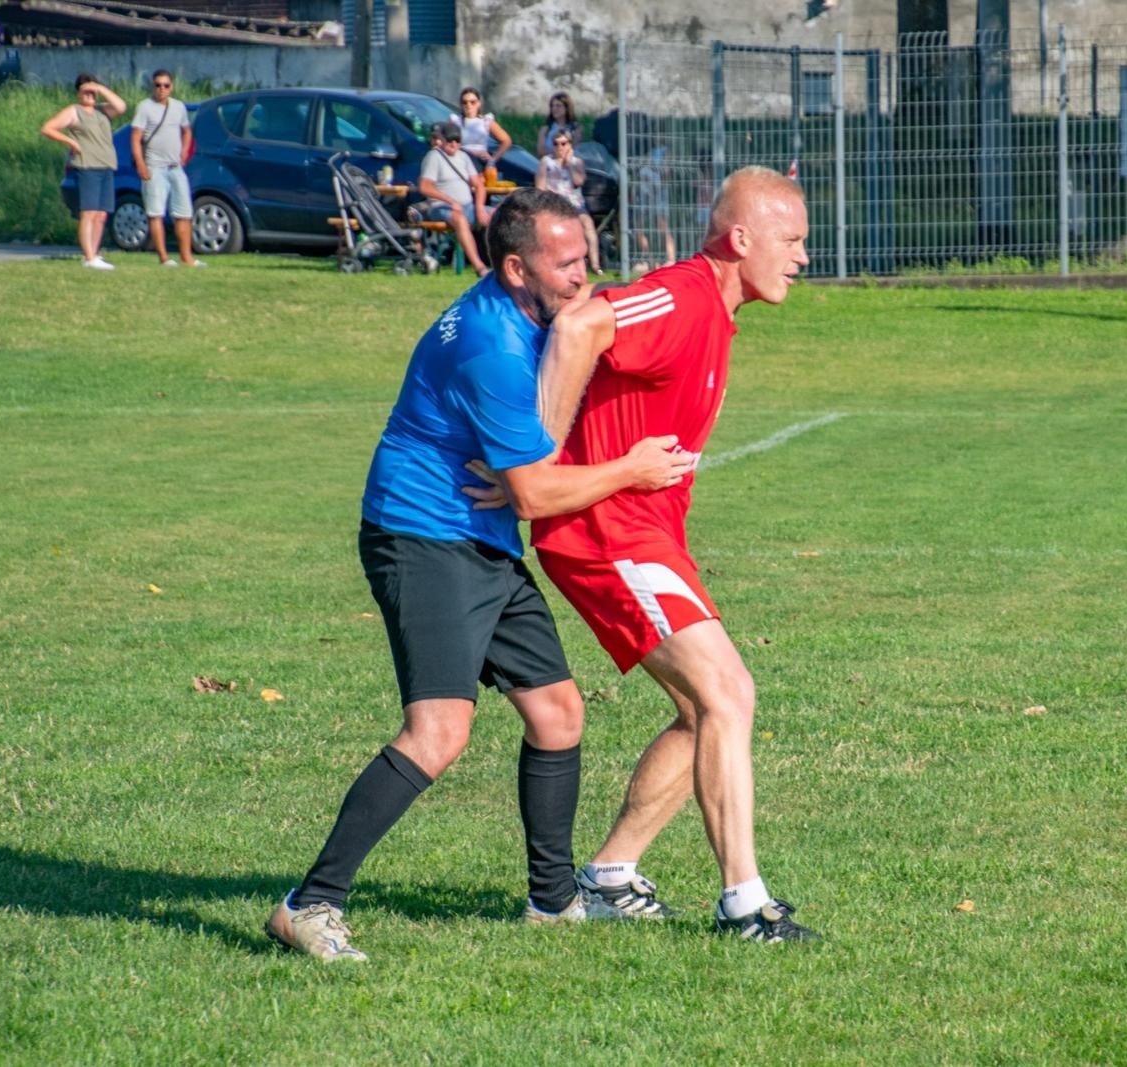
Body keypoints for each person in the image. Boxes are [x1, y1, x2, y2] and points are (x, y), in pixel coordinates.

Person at [265, 189, 696, 963]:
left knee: (560, 713)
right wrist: (630, 469)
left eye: (586, 256)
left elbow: (524, 478)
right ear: (513, 266)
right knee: (439, 732)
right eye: (566, 263)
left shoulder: (528, 314)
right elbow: (532, 497)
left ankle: (552, 901)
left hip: (479, 541)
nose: (583, 275)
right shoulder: (490, 348)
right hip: (422, 535)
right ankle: (310, 903)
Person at [517, 166, 820, 943]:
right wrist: (540, 456)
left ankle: (612, 874)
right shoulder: (683, 294)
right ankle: (746, 904)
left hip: (645, 535)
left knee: (701, 711)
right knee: (730, 693)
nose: (802, 257)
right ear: (741, 238)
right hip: (604, 533)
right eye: (791, 240)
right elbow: (582, 323)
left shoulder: (718, 314)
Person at [40, 74, 126, 271]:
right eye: (84, 90)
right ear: (78, 92)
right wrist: (70, 141)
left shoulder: (102, 111)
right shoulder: (74, 111)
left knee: (101, 214)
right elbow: (48, 128)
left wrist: (100, 88)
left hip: (106, 165)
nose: (89, 95)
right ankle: (88, 256)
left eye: (91, 91)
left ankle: (95, 254)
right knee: (88, 212)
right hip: (87, 166)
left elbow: (121, 106)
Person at [130, 69, 202, 268]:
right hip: (154, 166)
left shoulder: (178, 107)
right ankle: (163, 258)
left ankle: (187, 257)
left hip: (175, 167)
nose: (162, 89)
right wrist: (141, 164)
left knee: (184, 213)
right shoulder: (144, 107)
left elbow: (187, 131)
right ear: (152, 86)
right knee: (156, 213)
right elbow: (135, 138)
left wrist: (184, 153)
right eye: (158, 85)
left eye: (166, 85)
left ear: (172, 87)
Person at [417, 122, 490, 277]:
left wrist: (480, 208)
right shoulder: (434, 157)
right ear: (442, 140)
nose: (454, 145)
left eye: (457, 141)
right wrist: (450, 201)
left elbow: (479, 185)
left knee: (500, 214)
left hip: (468, 205)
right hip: (441, 207)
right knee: (460, 219)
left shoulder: (463, 157)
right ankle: (479, 267)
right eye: (450, 141)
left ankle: (506, 262)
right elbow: (424, 187)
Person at [536, 130, 601, 274]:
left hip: (574, 203)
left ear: (570, 145)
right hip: (554, 203)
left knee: (587, 225)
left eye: (563, 144)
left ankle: (595, 264)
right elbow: (539, 186)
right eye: (556, 144)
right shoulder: (546, 161)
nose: (559, 147)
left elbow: (579, 181)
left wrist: (569, 163)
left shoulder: (577, 162)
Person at [632, 143, 677, 273]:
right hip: (644, 195)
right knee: (639, 227)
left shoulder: (666, 151)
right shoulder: (648, 151)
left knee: (663, 226)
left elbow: (666, 176)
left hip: (659, 195)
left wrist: (656, 181)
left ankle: (671, 259)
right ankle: (648, 259)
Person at [450, 86, 512, 168]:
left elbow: (506, 141)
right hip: (459, 162)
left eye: (473, 102)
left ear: (479, 103)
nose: (468, 105)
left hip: (480, 164)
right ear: (461, 104)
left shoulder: (486, 121)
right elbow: (445, 142)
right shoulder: (455, 121)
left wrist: (492, 160)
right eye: (465, 102)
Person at [536, 92, 582, 159]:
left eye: (558, 106)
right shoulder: (546, 128)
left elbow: (574, 150)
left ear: (567, 108)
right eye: (552, 106)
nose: (554, 109)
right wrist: (558, 152)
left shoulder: (575, 128)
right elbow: (540, 151)